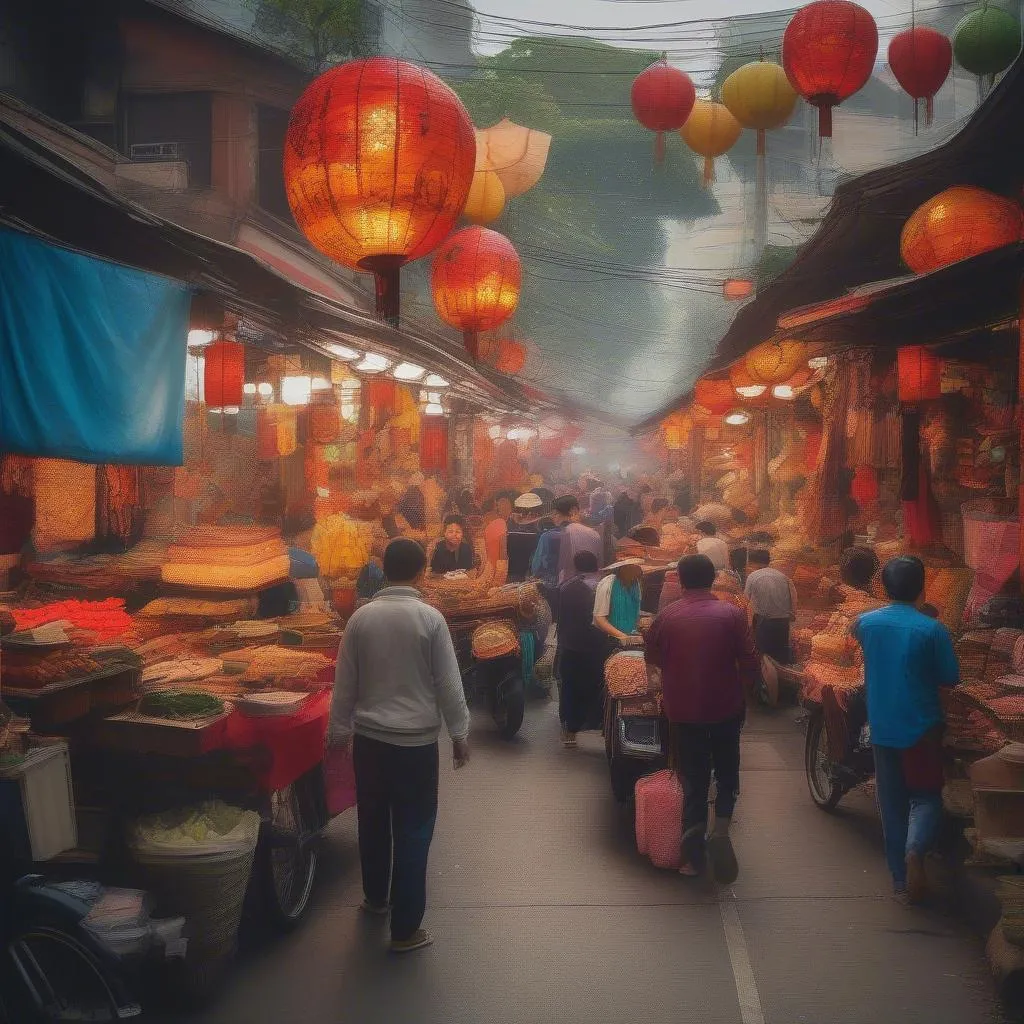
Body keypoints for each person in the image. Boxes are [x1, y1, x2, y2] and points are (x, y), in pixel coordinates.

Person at [327, 539, 471, 953]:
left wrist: (339, 732)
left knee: (372, 822)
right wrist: (459, 734)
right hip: (415, 747)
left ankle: (376, 898)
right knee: (413, 830)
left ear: (384, 571)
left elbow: (345, 682)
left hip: (370, 744)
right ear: (422, 572)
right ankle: (405, 930)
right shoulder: (430, 619)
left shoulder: (360, 619)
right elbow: (447, 682)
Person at [852, 556, 959, 904]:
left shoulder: (865, 623)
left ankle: (899, 877)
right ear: (922, 587)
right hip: (923, 726)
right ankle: (916, 849)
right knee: (926, 795)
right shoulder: (932, 629)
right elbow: (950, 677)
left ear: (884, 587)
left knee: (892, 802)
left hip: (882, 723)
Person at [646, 554, 758, 883]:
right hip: (725, 707)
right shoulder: (732, 613)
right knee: (726, 772)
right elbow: (749, 661)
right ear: (712, 579)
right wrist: (745, 691)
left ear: (680, 581)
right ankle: (721, 829)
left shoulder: (667, 615)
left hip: (683, 711)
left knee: (693, 777)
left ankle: (691, 855)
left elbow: (653, 659)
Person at [556, 551, 605, 747]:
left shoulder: (567, 588)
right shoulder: (604, 586)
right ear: (597, 566)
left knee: (570, 686)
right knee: (597, 686)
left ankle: (570, 731)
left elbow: (560, 618)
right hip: (598, 646)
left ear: (576, 567)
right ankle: (598, 725)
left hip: (571, 646)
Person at [744, 550, 798, 666]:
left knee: (764, 656)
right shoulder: (782, 576)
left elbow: (746, 600)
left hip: (764, 621)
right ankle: (783, 678)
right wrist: (793, 612)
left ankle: (767, 680)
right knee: (781, 652)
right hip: (783, 621)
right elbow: (793, 594)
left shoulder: (752, 577)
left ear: (752, 563)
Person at [593, 558, 644, 647]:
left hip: (631, 636)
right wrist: (622, 636)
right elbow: (599, 618)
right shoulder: (608, 583)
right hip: (609, 639)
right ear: (623, 568)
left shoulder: (635, 584)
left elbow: (635, 612)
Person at [554, 495, 603, 585]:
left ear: (573, 511)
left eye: (556, 514)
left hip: (566, 586)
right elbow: (600, 563)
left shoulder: (557, 534)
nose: (554, 518)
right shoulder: (594, 533)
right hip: (593, 584)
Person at [481, 497, 509, 569]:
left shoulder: (483, 523)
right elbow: (503, 548)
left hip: (486, 566)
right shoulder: (500, 523)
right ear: (494, 508)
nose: (498, 507)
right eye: (496, 505)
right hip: (497, 565)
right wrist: (503, 567)